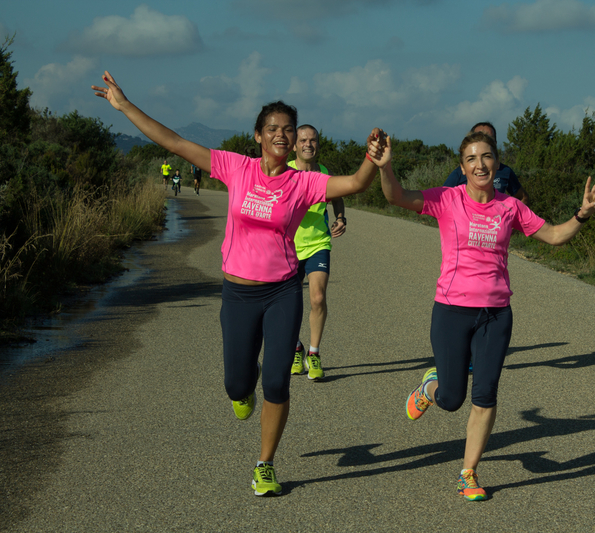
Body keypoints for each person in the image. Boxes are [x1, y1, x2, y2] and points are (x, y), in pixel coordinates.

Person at [91, 71, 388, 497]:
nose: (282, 135)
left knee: (278, 383)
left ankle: (265, 464)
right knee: (237, 387)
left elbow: (357, 184)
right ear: (258, 136)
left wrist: (371, 156)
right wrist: (124, 106)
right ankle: (243, 384)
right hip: (238, 292)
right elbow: (173, 141)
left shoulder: (303, 182)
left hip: (283, 290)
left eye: (289, 129)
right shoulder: (235, 167)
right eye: (273, 129)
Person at [376, 130, 595, 501]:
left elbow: (555, 236)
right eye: (471, 158)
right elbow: (396, 196)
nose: (480, 164)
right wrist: (386, 168)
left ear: (496, 163)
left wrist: (582, 214)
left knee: (485, 395)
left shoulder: (510, 207)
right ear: (462, 167)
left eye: (486, 157)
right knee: (452, 399)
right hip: (451, 310)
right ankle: (429, 386)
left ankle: (469, 472)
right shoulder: (447, 199)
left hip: (496, 314)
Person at [287, 124, 346, 381]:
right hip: (288, 246)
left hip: (319, 243)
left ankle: (313, 353)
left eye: (312, 140)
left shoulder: (324, 173)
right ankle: (296, 347)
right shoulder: (285, 171)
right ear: (294, 145)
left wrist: (341, 217)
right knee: (287, 306)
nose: (308, 144)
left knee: (318, 298)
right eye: (303, 140)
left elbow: (338, 195)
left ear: (318, 145)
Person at [443, 122, 529, 205]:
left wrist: (508, 216)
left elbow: (522, 197)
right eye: (478, 137)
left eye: (489, 139)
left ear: (495, 143)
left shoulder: (505, 171)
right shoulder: (459, 172)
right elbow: (442, 200)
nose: (480, 166)